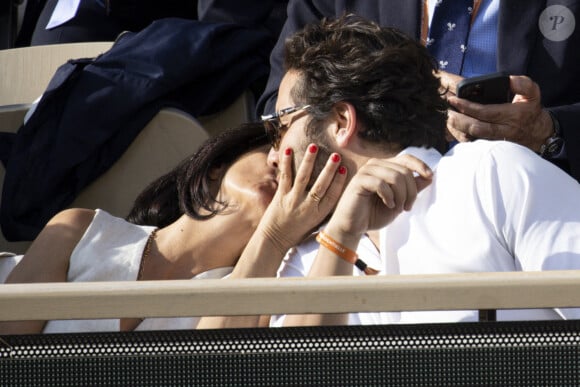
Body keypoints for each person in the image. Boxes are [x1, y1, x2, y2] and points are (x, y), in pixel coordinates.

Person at [199, 15, 580, 330]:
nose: (272, 154)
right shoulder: (304, 254)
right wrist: (338, 238)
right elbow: (213, 369)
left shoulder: (490, 174)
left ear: (341, 120)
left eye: (278, 126)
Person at [0, 122, 351, 334]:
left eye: (307, 182)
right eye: (274, 151)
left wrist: (274, 237)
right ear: (218, 167)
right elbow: (7, 341)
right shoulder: (81, 231)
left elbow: (208, 368)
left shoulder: (259, 302)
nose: (284, 168)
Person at [256, 0, 580, 182]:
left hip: (529, 197)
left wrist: (547, 132)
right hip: (369, 215)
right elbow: (280, 104)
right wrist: (397, 85)